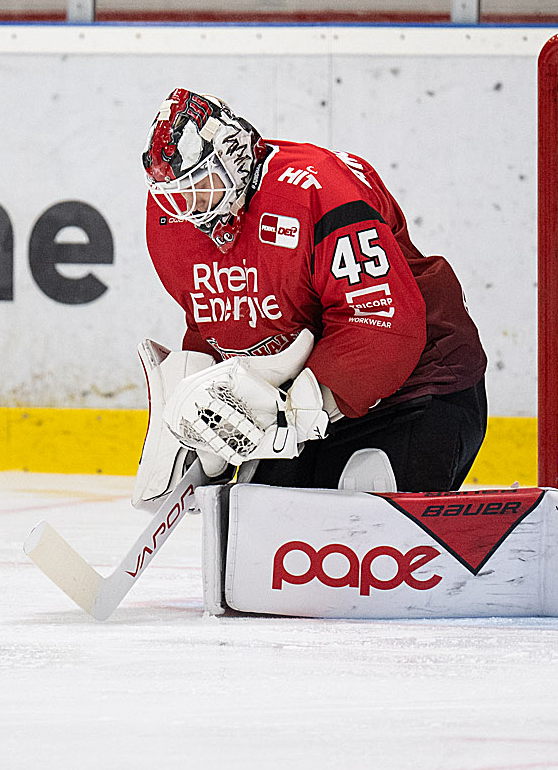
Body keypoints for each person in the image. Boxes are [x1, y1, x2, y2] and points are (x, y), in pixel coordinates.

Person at [141, 87, 488, 495]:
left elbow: (383, 323)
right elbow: (213, 316)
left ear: (232, 155)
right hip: (307, 404)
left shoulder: (317, 189)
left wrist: (295, 409)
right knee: (257, 522)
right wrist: (196, 423)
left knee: (365, 511)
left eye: (200, 186)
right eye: (175, 196)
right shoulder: (171, 221)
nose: (189, 208)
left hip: (418, 387)